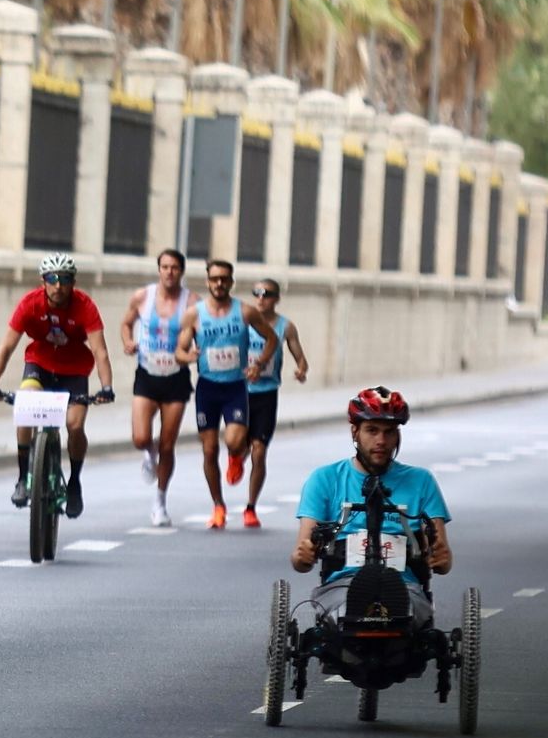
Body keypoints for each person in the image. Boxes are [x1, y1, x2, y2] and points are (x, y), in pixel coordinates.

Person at [291, 387, 452, 625]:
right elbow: (300, 556)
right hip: (342, 584)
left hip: (404, 585)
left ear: (398, 435)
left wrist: (440, 557)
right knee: (347, 608)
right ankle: (364, 601)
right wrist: (304, 555)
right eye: (372, 430)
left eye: (389, 432)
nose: (381, 441)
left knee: (402, 608)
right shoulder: (324, 479)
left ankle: (385, 601)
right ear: (355, 432)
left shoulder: (421, 481)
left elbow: (443, 558)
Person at [0, 253, 114, 519]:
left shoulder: (85, 306)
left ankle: (74, 482)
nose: (58, 285)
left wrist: (106, 387)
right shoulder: (30, 304)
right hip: (39, 364)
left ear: (73, 281)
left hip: (74, 370)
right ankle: (23, 478)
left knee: (74, 425)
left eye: (64, 279)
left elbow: (100, 351)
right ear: (43, 281)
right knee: (25, 408)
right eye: (52, 279)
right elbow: (6, 347)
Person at [176, 259, 277, 530]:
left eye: (224, 278)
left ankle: (235, 456)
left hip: (234, 387)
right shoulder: (194, 315)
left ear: (231, 282)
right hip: (207, 388)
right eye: (214, 278)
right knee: (209, 450)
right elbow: (179, 352)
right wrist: (189, 356)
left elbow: (272, 339)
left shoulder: (245, 311)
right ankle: (218, 506)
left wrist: (258, 364)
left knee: (234, 441)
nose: (219, 283)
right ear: (207, 281)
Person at [119, 248, 199, 527]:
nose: (169, 272)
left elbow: (201, 333)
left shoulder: (192, 302)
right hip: (147, 373)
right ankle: (147, 452)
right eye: (165, 267)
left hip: (176, 377)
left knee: (167, 444)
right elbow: (126, 323)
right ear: (158, 270)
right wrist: (128, 342)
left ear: (182, 271)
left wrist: (195, 352)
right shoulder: (143, 297)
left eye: (174, 267)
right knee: (141, 437)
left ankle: (160, 502)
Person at [242, 278, 309, 528]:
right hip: (240, 392)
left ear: (276, 299)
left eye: (267, 294)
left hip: (267, 394)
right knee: (238, 445)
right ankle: (236, 457)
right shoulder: (244, 321)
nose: (261, 298)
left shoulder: (285, 327)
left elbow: (301, 358)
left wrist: (301, 370)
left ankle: (250, 507)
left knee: (259, 451)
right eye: (257, 293)